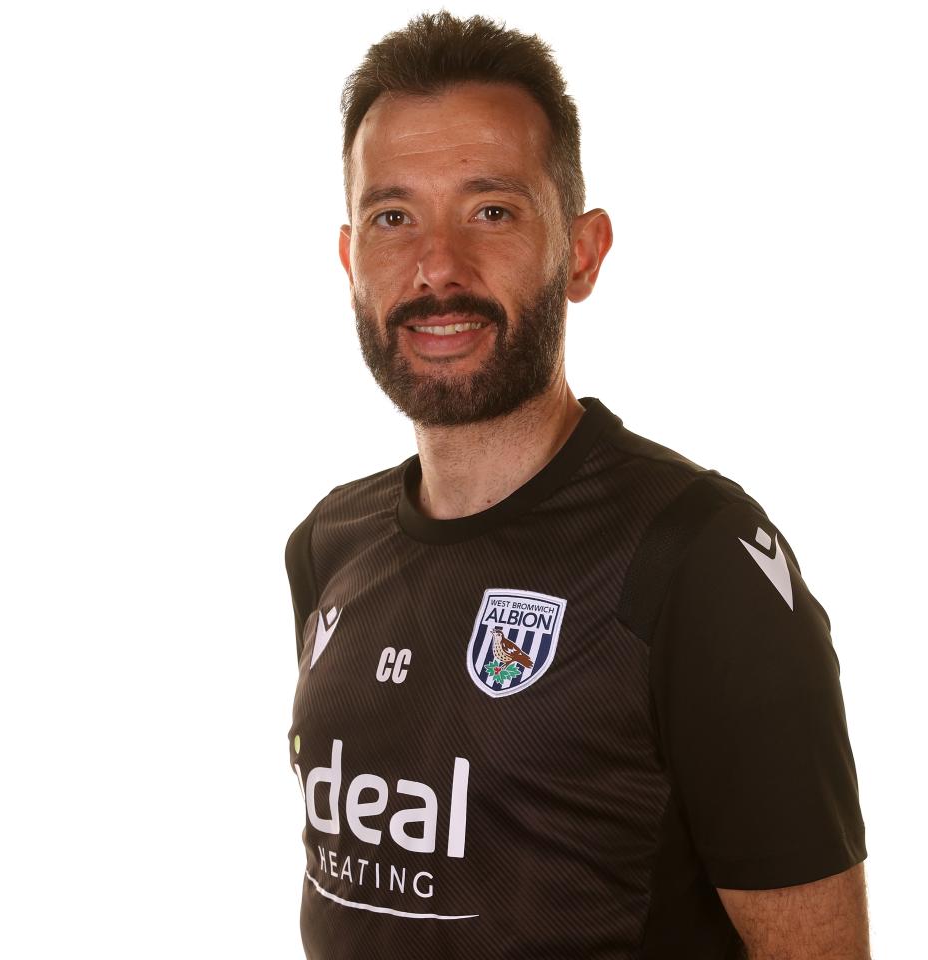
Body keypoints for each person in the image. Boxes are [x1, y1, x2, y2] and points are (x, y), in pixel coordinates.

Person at [284, 11, 869, 958]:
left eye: (492, 211)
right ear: (353, 261)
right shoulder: (326, 546)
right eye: (395, 217)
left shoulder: (699, 560)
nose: (437, 267)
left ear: (583, 253)